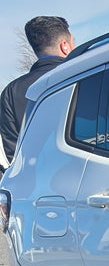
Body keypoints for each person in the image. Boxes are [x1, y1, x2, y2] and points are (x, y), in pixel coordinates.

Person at [0, 16, 75, 166]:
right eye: (73, 42)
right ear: (64, 46)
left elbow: (14, 153)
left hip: (43, 182)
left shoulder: (11, 92)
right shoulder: (80, 74)